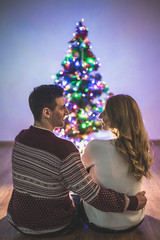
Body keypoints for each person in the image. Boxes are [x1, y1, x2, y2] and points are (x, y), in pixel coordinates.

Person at [7, 86, 147, 237]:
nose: (66, 112)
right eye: (62, 108)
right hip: (54, 226)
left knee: (75, 189)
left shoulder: (20, 138)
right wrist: (132, 202)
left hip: (18, 220)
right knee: (79, 194)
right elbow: (93, 195)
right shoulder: (65, 150)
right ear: (46, 112)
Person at [82, 94, 153, 233]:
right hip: (135, 220)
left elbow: (81, 171)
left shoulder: (95, 146)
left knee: (79, 188)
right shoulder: (142, 148)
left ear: (118, 116)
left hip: (100, 222)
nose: (100, 116)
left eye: (105, 112)